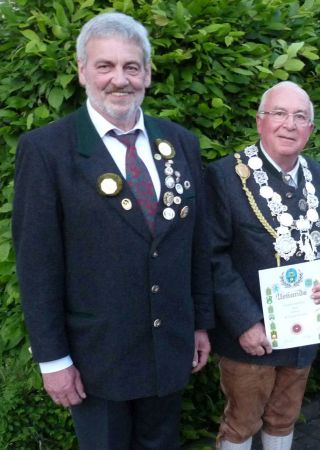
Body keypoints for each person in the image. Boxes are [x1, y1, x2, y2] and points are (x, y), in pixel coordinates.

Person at [12, 12, 213, 449]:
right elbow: (37, 265)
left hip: (168, 348)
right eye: (105, 66)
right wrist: (53, 359)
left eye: (131, 67)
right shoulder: (47, 150)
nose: (119, 79)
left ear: (147, 74)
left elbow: (196, 243)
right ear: (82, 71)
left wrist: (199, 323)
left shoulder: (180, 143)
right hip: (96, 360)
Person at [206, 81, 320, 450]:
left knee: (285, 417)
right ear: (260, 121)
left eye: (300, 117)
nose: (289, 124)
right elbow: (212, 256)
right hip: (252, 336)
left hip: (303, 329)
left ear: (310, 129)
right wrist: (244, 322)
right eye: (279, 113)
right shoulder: (224, 175)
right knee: (241, 423)